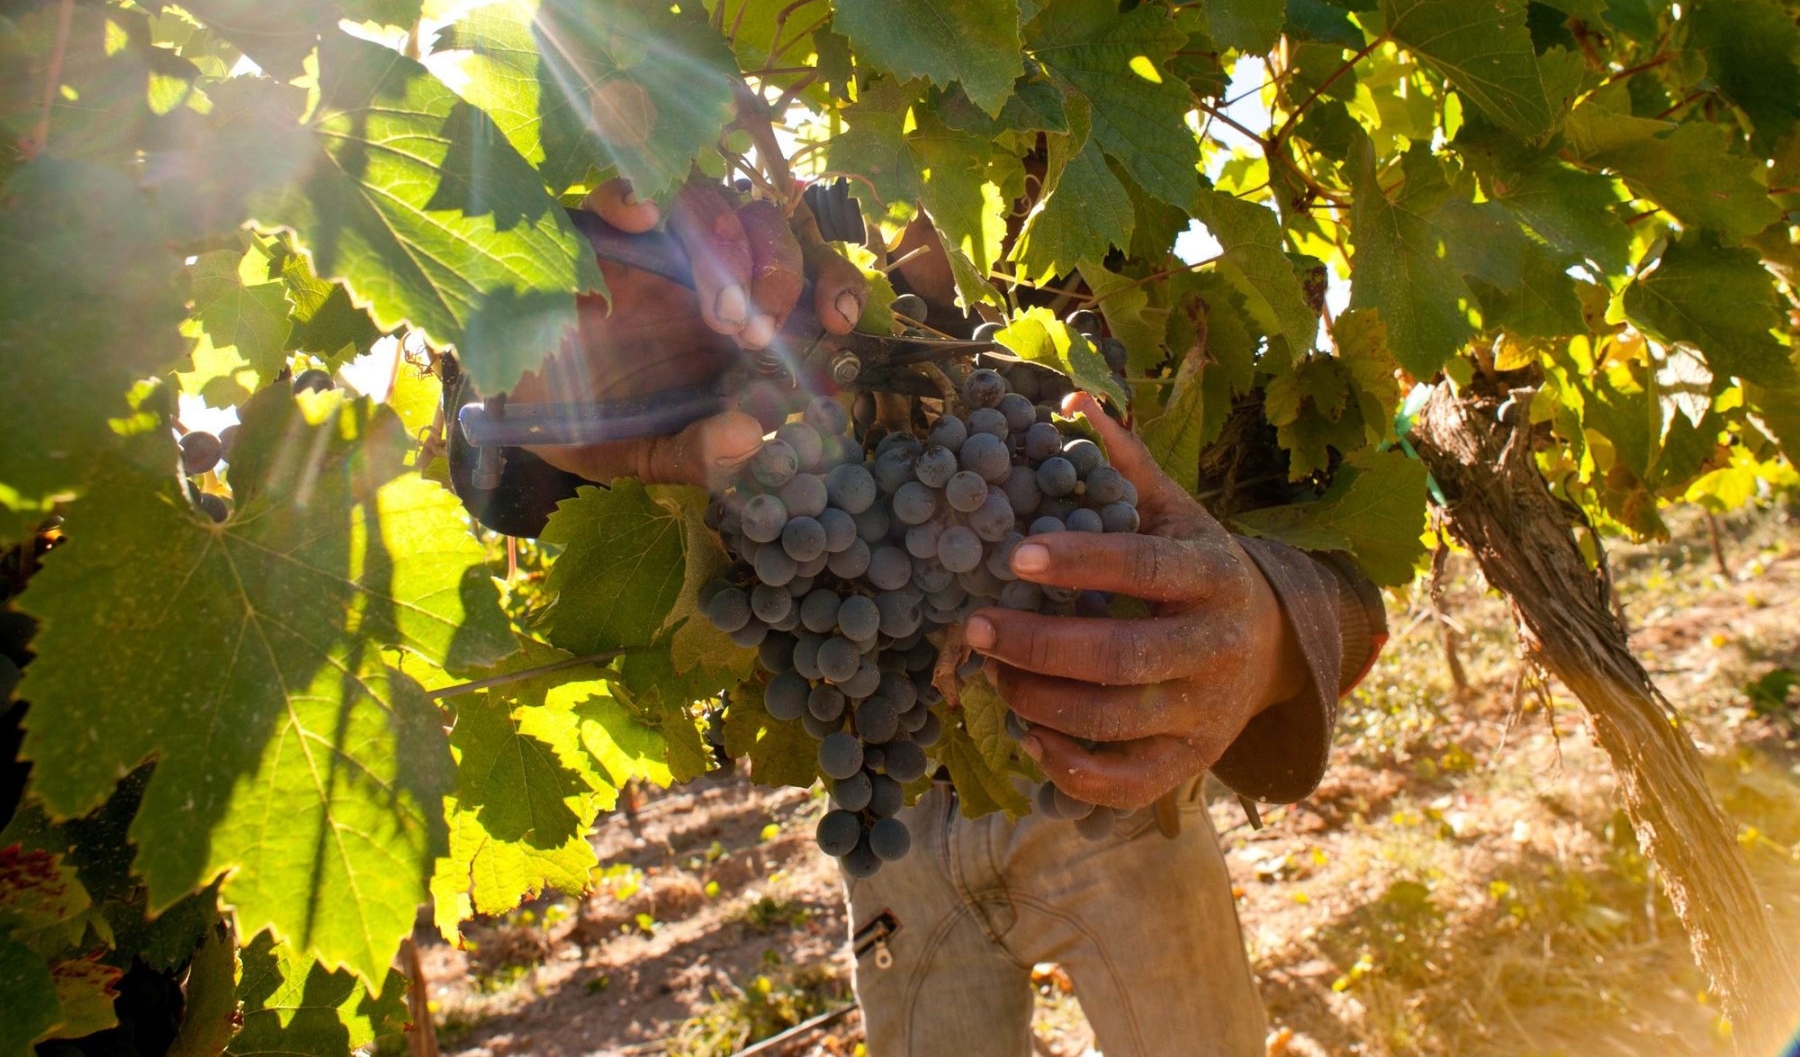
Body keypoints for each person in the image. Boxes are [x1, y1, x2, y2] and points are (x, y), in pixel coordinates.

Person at [456, 180, 1386, 1056]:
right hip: (891, 819)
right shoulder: (804, 255)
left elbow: (1349, 575)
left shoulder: (1123, 277)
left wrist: (1265, 630)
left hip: (1115, 784)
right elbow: (504, 479)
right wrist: (529, 388)